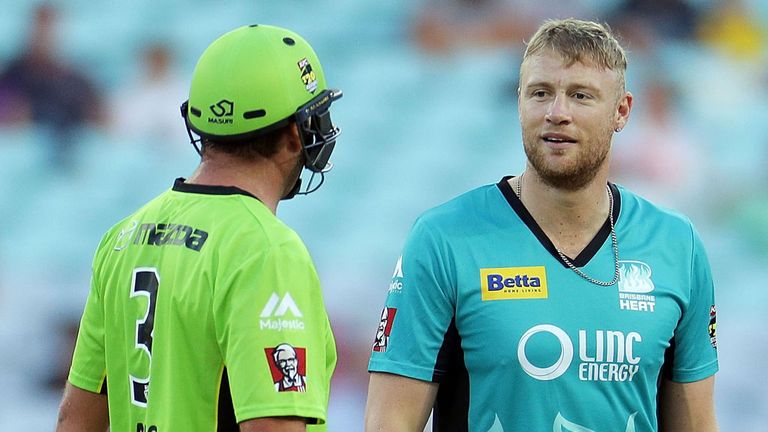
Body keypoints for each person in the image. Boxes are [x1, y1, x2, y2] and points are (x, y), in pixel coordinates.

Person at [365, 18, 718, 431]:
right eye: (540, 93)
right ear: (520, 103)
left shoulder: (677, 245)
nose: (557, 113)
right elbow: (389, 423)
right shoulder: (445, 239)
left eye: (581, 96)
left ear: (621, 111)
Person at [56, 24, 342, 432]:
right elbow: (274, 427)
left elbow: (74, 421)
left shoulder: (123, 237)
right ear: (297, 133)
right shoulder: (265, 250)